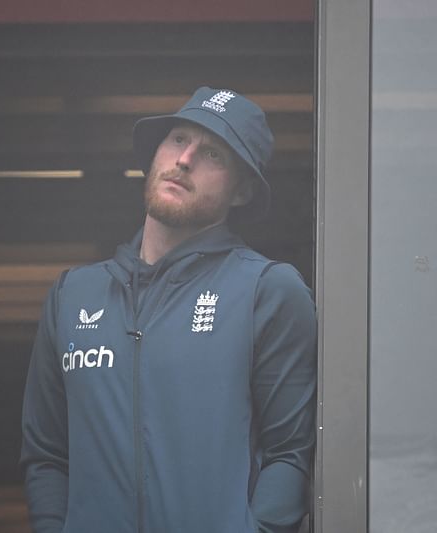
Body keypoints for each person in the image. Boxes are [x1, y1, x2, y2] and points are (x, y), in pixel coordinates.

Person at [20, 87, 316, 533]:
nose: (185, 158)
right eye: (178, 139)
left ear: (242, 192)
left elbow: (290, 454)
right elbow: (47, 454)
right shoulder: (72, 295)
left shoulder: (267, 290)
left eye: (213, 153)